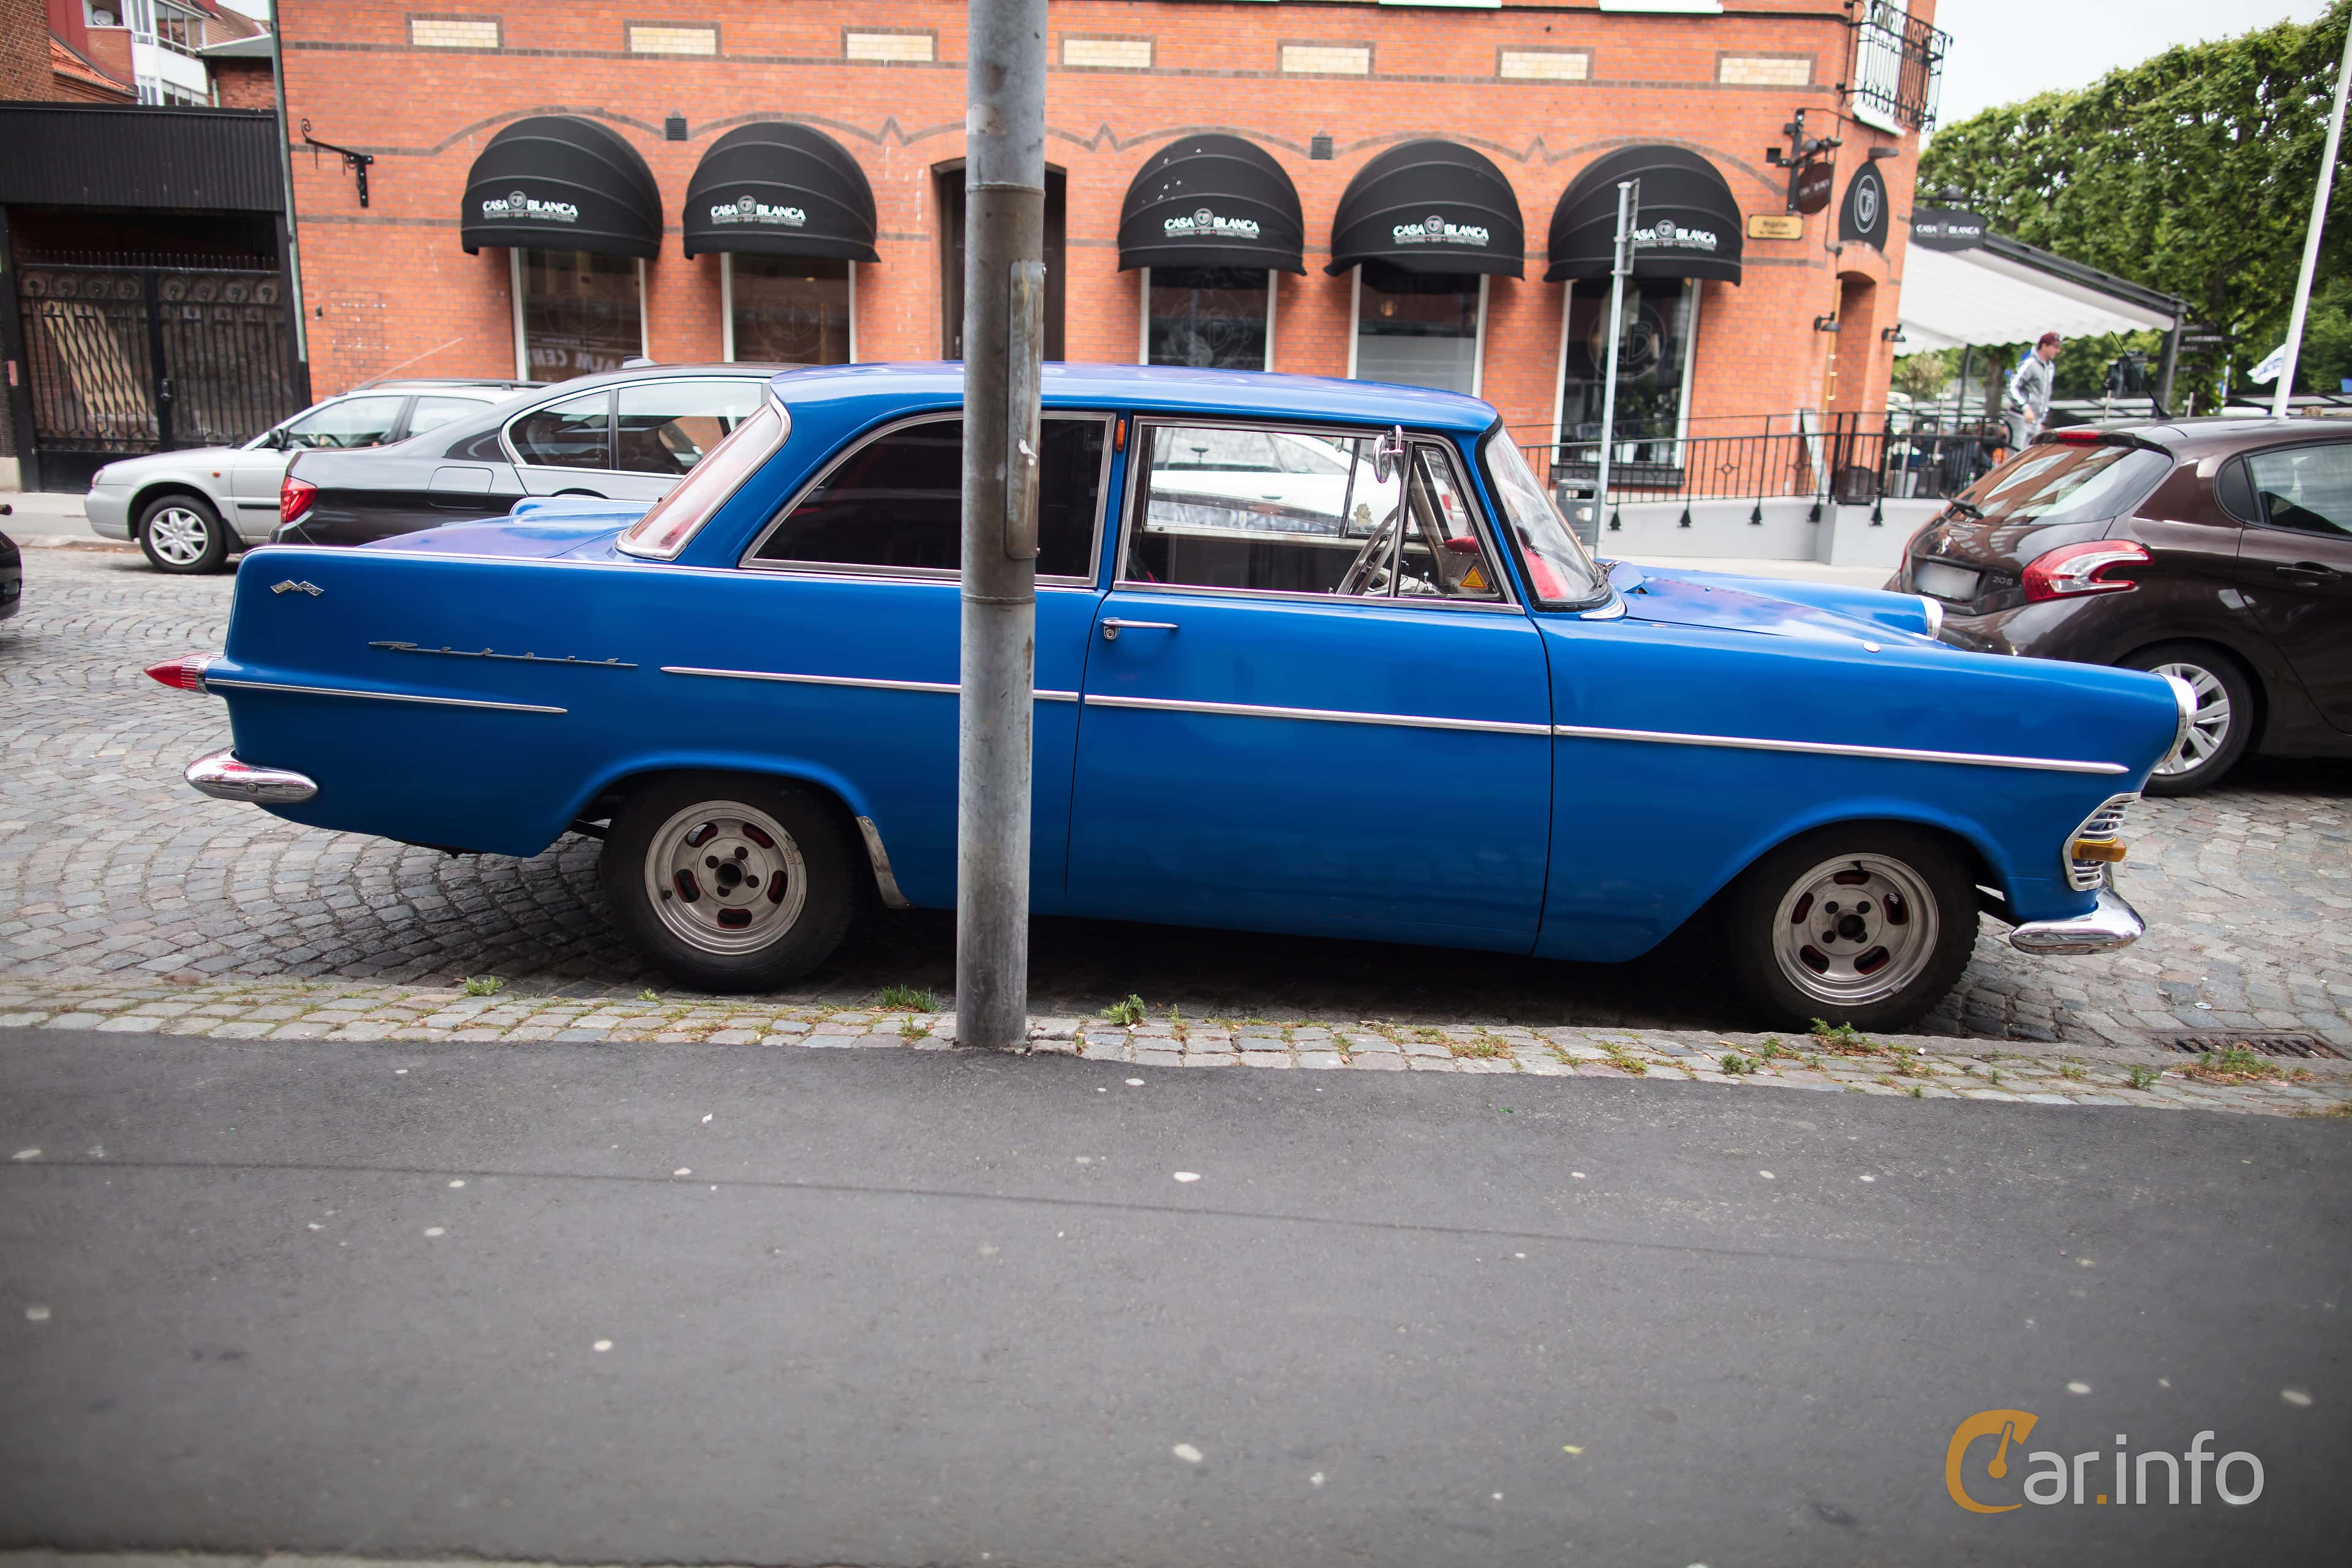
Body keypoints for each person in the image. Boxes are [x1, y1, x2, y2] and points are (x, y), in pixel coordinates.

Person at [2004, 332, 2062, 450]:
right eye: (2055, 347)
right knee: (2016, 455)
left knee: (2031, 456)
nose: (2058, 351)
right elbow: (2012, 386)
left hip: (2036, 421)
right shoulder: (2029, 363)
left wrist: (2043, 417)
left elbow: (2044, 394)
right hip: (2020, 418)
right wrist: (2025, 407)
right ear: (2044, 346)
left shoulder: (2050, 367)